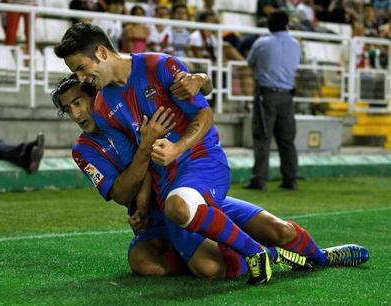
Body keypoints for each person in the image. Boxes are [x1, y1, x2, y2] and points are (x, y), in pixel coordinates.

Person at [53, 23, 370, 283]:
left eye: (81, 69)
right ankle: (283, 255)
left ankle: (292, 255)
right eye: (69, 107)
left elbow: (203, 115)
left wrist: (199, 89)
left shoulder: (157, 65)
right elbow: (141, 159)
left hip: (201, 164)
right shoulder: (105, 110)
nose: (81, 80)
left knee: (187, 209)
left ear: (103, 52)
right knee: (215, 266)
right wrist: (142, 204)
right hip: (169, 190)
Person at [52, 74, 316, 280]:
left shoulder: (126, 113)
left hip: (184, 196)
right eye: (68, 109)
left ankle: (306, 255)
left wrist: (201, 78)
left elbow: (195, 96)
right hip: (153, 221)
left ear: (95, 98)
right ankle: (241, 249)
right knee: (147, 264)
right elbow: (120, 194)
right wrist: (142, 201)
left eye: (78, 103)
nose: (75, 114)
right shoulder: (83, 149)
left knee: (278, 231)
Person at [244, 10, 300, 191]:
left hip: (266, 95)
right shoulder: (295, 44)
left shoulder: (262, 42)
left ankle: (259, 179)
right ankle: (291, 179)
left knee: (262, 137)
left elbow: (251, 61)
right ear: (286, 23)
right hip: (287, 95)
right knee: (287, 139)